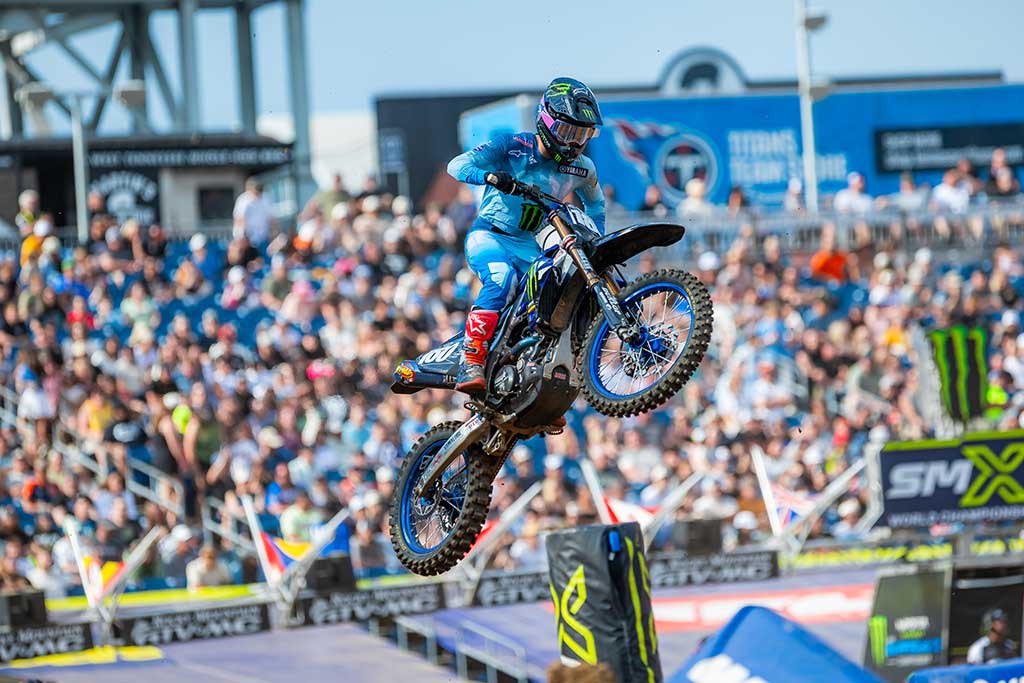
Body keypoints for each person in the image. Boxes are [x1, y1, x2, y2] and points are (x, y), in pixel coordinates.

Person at [446, 77, 605, 393]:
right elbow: (457, 165)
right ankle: (471, 358)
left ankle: (536, 381)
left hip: (530, 246)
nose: (574, 143)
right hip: (490, 235)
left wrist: (596, 239)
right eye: (568, 132)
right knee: (502, 278)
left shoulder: (584, 168)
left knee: (557, 294)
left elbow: (596, 205)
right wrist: (490, 177)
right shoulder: (513, 145)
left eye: (583, 135)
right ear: (546, 121)